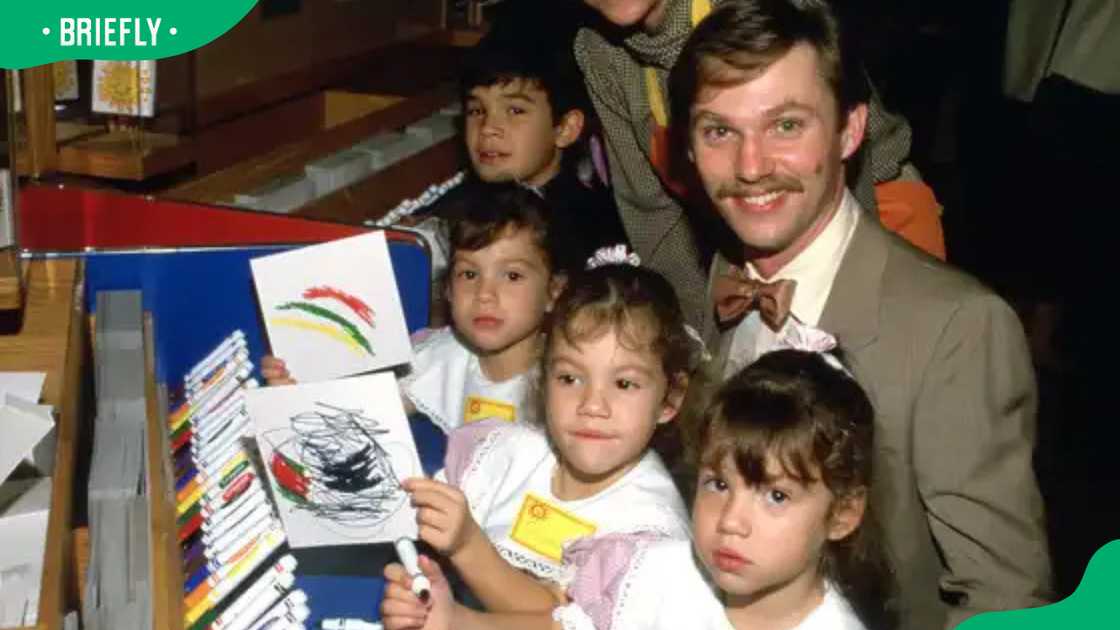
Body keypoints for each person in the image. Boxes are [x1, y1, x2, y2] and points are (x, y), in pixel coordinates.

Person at [668, 1, 1051, 626]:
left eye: (786, 126)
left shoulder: (959, 328)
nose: (750, 167)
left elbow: (1005, 601)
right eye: (719, 131)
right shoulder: (723, 276)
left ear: (850, 130)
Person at [574, 0, 944, 327]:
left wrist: (853, 312)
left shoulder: (777, 12)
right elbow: (651, 212)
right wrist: (694, 335)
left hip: (870, 211)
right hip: (747, 240)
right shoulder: (599, 53)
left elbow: (844, 166)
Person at [379, 256, 700, 629]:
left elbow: (562, 620)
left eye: (624, 384)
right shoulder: (505, 453)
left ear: (670, 398)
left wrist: (467, 550)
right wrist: (418, 591)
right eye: (569, 378)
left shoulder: (649, 533)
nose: (592, 405)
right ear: (543, 377)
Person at [262, 182, 563, 433]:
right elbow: (360, 412)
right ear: (447, 288)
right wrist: (297, 389)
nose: (485, 294)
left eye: (512, 276)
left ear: (553, 292)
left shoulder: (568, 383)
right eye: (469, 274)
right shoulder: (441, 356)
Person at [415, 31, 631, 277]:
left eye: (515, 110)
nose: (487, 128)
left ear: (565, 128)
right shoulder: (448, 213)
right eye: (476, 110)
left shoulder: (597, 230)